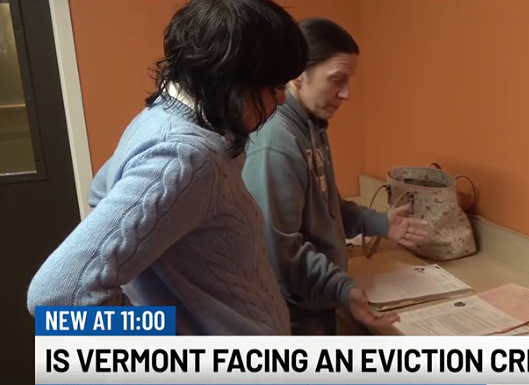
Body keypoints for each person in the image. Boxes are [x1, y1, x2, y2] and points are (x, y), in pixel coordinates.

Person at [26, 0, 308, 335]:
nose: (283, 99)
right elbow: (56, 295)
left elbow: (102, 192)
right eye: (275, 86)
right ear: (231, 80)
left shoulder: (162, 117)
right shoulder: (185, 156)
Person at [242, 17, 430, 335]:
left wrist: (381, 224)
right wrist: (342, 287)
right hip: (294, 311)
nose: (346, 93)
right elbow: (280, 251)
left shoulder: (311, 124)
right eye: (336, 79)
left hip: (317, 298)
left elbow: (323, 207)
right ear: (298, 74)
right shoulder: (276, 143)